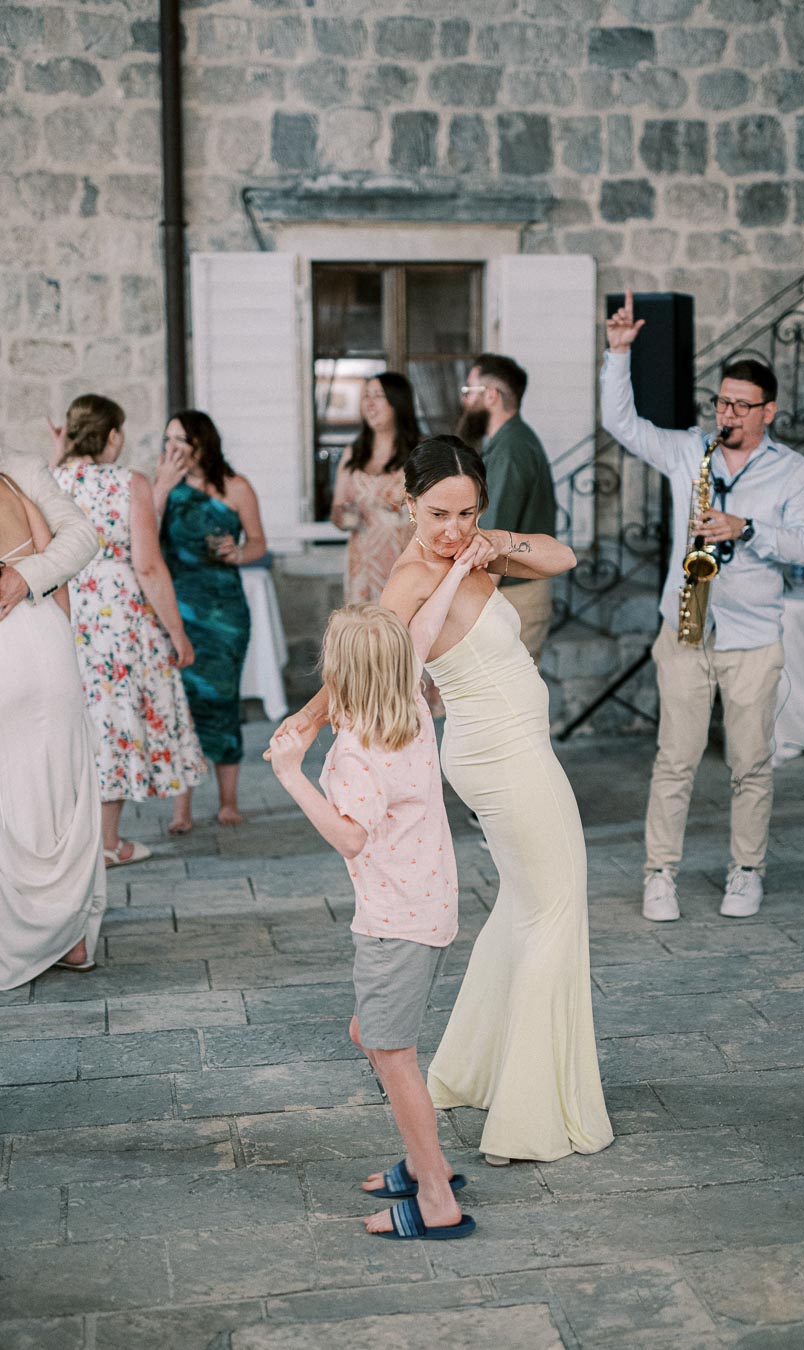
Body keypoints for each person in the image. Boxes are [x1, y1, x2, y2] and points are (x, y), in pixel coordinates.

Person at [271, 436, 614, 1166]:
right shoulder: (413, 576)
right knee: (555, 908)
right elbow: (363, 665)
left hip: (515, 747)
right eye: (438, 514)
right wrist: (307, 720)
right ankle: (528, 1116)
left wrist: (498, 542)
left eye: (467, 512)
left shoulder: (472, 552)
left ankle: (473, 1070)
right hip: (504, 757)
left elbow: (561, 557)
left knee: (526, 906)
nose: (454, 528)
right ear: (408, 504)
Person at [601, 289, 804, 922]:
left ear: (768, 411)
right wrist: (619, 354)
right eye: (722, 402)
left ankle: (747, 870)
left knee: (750, 764)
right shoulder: (689, 452)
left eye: (741, 405)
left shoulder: (792, 471)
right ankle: (659, 874)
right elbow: (622, 425)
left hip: (752, 636)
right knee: (674, 760)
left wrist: (745, 527)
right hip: (686, 627)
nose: (727, 413)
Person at [268, 602, 474, 1241]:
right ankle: (423, 1162)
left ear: (339, 671)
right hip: (430, 905)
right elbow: (421, 628)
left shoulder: (359, 751)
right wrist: (456, 569)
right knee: (371, 1033)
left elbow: (350, 838)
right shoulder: (408, 703)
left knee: (392, 1053)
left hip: (395, 921)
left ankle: (436, 1194)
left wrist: (290, 775)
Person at [53, 395, 206, 867]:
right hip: (118, 617)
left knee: (74, 720)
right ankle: (107, 842)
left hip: (66, 611)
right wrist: (177, 632)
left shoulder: (51, 481)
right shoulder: (128, 483)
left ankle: (71, 839)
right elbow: (148, 565)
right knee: (115, 719)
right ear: (113, 435)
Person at [0, 451, 106, 987]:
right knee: (60, 789)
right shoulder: (14, 479)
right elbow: (70, 541)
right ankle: (71, 937)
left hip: (28, 642)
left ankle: (37, 934)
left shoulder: (20, 468)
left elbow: (82, 536)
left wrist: (24, 575)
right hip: (43, 638)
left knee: (24, 793)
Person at [154, 411, 267, 831]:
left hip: (224, 614)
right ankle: (181, 809)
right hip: (177, 610)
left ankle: (228, 802)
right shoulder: (162, 485)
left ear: (201, 445)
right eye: (167, 439)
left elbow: (258, 542)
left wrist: (237, 553)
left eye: (179, 439)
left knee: (222, 701)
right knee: (181, 705)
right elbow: (142, 535)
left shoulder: (236, 487)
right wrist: (162, 486)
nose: (171, 447)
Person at [458, 353, 557, 663]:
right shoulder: (511, 442)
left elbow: (493, 537)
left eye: (469, 391)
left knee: (504, 693)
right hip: (513, 595)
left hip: (512, 598)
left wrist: (475, 610)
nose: (464, 400)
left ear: (491, 395)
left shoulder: (512, 449)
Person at [330, 372, 419, 603]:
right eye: (366, 396)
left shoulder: (420, 452)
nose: (370, 403)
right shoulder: (353, 452)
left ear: (398, 402)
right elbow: (337, 510)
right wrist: (344, 516)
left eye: (378, 396)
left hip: (405, 559)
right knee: (364, 622)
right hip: (363, 562)